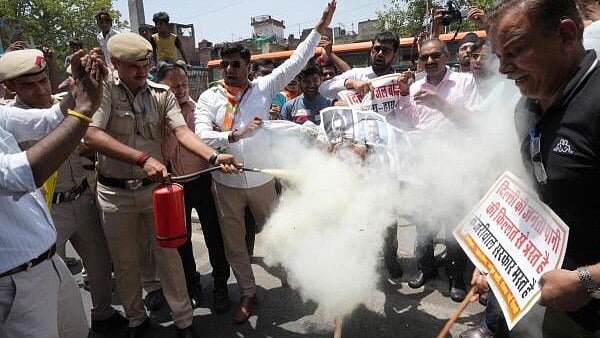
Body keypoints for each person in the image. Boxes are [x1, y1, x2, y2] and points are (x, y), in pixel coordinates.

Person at [83, 33, 240, 338]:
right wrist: (142, 158)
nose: (142, 72)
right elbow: (92, 136)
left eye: (145, 64)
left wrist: (214, 156)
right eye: (134, 66)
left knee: (169, 258)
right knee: (126, 263)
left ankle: (183, 321)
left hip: (154, 193)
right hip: (114, 193)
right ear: (115, 63)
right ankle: (135, 320)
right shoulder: (103, 91)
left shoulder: (161, 94)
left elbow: (182, 131)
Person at [194, 0, 336, 324]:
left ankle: (297, 277)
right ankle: (247, 292)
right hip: (226, 184)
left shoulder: (263, 87)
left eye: (235, 64)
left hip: (262, 182)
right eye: (225, 64)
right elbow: (201, 135)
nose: (229, 69)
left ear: (247, 65)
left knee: (280, 232)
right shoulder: (210, 98)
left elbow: (298, 60)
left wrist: (320, 27)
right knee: (235, 246)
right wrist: (234, 135)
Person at [474, 0, 600, 336]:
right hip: (564, 312)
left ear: (565, 35)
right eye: (499, 57)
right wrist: (497, 259)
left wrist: (588, 281)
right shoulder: (526, 108)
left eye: (514, 51)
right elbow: (537, 198)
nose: (503, 70)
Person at [1, 48, 126, 334]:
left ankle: (103, 312)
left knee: (79, 326)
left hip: (48, 260)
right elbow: (22, 175)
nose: (40, 89)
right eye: (28, 84)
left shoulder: (3, 116)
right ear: (9, 86)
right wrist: (81, 111)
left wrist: (82, 87)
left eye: (42, 80)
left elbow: (48, 120)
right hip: (15, 280)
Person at [395, 38, 479, 302]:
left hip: (456, 167)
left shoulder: (465, 82)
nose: (429, 61)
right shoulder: (417, 85)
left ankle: (456, 279)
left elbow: (474, 122)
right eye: (424, 57)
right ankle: (425, 269)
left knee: (455, 226)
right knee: (424, 223)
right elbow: (409, 125)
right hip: (424, 167)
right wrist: (405, 96)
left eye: (434, 56)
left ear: (446, 56)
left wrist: (440, 103)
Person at [157, 60, 231, 313]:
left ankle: (221, 285)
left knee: (214, 236)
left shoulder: (199, 111)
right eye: (173, 86)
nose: (179, 90)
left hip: (204, 181)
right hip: (175, 185)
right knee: (182, 241)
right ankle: (191, 285)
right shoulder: (158, 115)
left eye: (183, 84)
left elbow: (216, 142)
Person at [319, 31, 400, 99]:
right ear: (371, 49)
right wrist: (351, 83)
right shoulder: (358, 75)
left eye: (386, 50)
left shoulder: (400, 81)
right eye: (377, 49)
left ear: (394, 55)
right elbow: (323, 89)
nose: (380, 54)